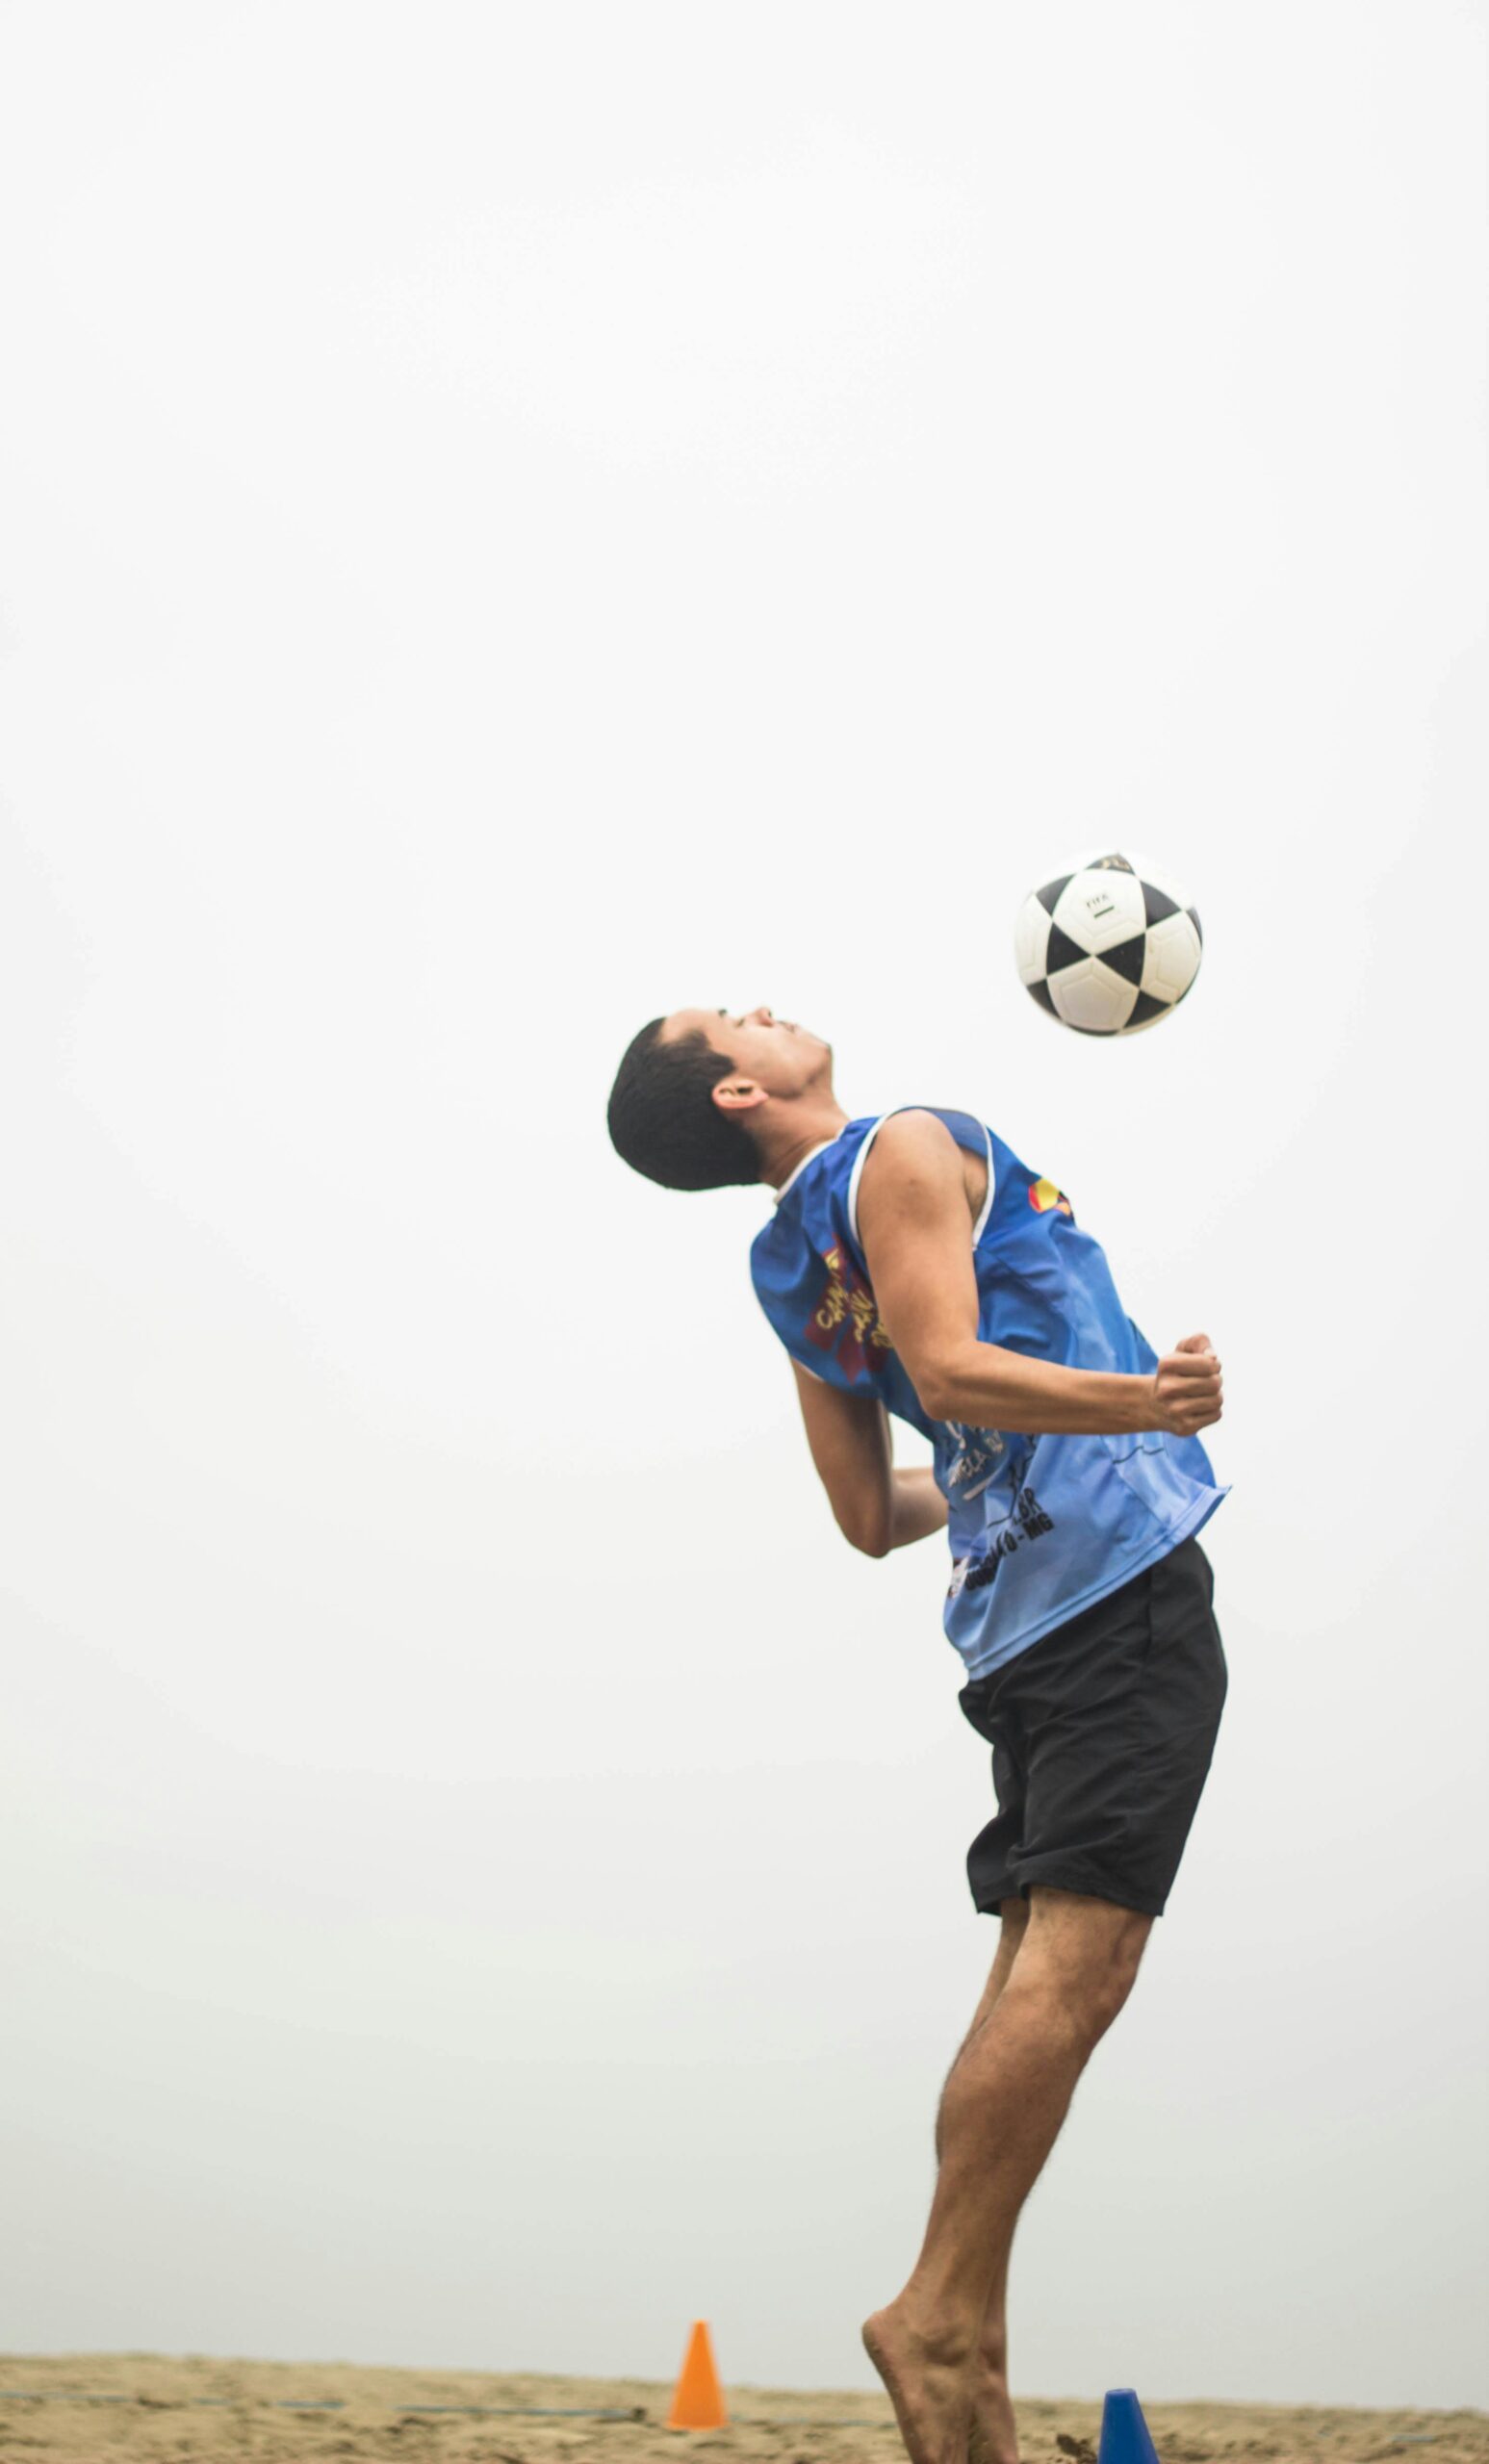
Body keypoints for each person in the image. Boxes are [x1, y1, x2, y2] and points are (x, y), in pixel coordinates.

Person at [606, 1003, 1228, 2464]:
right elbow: (946, 1375)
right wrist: (1145, 1403)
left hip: (1015, 1626)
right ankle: (941, 2311)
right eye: (728, 1018)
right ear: (742, 1086)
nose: (761, 1004)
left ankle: (968, 2332)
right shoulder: (900, 1148)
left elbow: (871, 1516)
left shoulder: (787, 1269)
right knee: (1087, 1959)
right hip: (1117, 1591)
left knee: (1036, 1964)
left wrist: (1009, 1468)